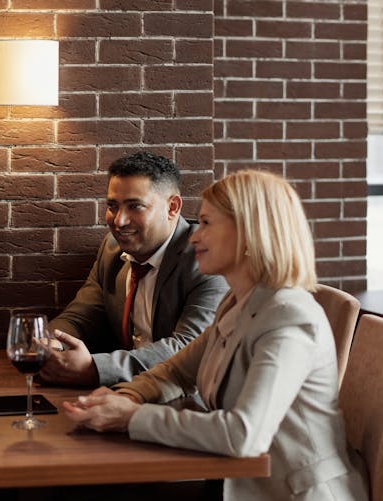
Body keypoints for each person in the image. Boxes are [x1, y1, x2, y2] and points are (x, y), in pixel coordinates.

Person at [64, 170, 369, 500]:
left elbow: (243, 436)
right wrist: (127, 396)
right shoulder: (237, 301)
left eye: (207, 223)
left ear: (251, 232)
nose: (194, 237)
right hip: (234, 483)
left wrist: (133, 418)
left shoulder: (289, 318)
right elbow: (178, 370)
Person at [41, 152, 228, 387]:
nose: (119, 221)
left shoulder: (205, 258)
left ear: (172, 207)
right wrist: (52, 344)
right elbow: (80, 317)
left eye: (135, 206)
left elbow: (188, 348)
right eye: (112, 206)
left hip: (186, 400)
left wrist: (95, 369)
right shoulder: (111, 250)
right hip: (126, 393)